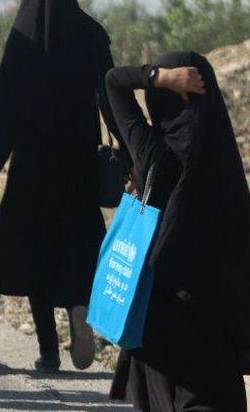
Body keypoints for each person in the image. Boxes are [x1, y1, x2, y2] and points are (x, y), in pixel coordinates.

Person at [0, 0, 119, 372]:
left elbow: (7, 112)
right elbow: (111, 97)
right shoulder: (91, 33)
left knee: (36, 252)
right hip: (78, 165)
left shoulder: (24, 37)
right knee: (76, 242)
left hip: (33, 169)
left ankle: (48, 350)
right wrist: (129, 153)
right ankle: (77, 304)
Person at [105, 52, 250, 411]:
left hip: (159, 315)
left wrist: (156, 76)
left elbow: (112, 82)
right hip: (216, 326)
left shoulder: (154, 151)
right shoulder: (227, 169)